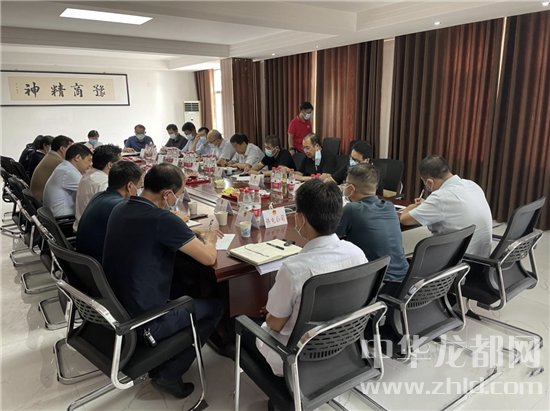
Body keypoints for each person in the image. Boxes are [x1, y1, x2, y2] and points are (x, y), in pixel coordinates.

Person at [102, 163, 224, 399]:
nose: (178, 199)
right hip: (144, 323)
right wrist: (209, 239)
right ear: (167, 194)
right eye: (179, 194)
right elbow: (209, 258)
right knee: (217, 306)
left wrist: (186, 232)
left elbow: (152, 231)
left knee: (183, 283)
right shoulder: (162, 220)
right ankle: (169, 374)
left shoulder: (120, 208)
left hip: (117, 309)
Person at [252, 179, 367, 377]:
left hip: (295, 358)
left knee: (238, 325)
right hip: (341, 346)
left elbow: (275, 324)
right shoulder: (357, 253)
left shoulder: (293, 269)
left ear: (299, 218)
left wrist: (271, 313)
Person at [400, 155, 493, 257]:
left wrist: (413, 206)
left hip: (456, 261)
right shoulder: (472, 185)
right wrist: (427, 204)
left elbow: (404, 219)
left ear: (429, 182)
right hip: (480, 258)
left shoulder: (440, 198)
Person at [336, 164, 409, 281]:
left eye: (346, 184)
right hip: (405, 279)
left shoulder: (352, 209)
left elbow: (330, 235)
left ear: (351, 188)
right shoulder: (389, 206)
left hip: (379, 283)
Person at [77, 161, 144, 264]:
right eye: (139, 186)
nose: (139, 190)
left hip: (86, 262)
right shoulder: (120, 206)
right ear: (130, 186)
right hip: (101, 265)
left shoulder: (99, 195)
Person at [74, 144, 122, 231]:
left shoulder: (87, 175)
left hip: (81, 225)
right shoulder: (104, 183)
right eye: (120, 164)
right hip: (92, 232)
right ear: (110, 165)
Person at [43, 144, 92, 217]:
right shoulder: (69, 172)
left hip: (56, 216)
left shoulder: (64, 167)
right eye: (89, 160)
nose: (90, 164)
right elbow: (92, 193)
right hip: (64, 219)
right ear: (77, 158)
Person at [30, 135, 74, 201]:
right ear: (62, 149)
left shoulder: (50, 156)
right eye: (70, 149)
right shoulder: (59, 162)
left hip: (37, 197)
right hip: (43, 199)